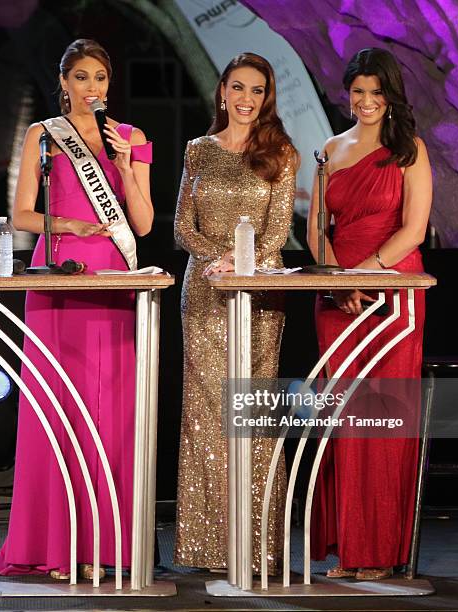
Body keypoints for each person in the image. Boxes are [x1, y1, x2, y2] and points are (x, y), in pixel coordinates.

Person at [0, 39, 153, 580]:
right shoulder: (43, 135)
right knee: (60, 406)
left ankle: (108, 546)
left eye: (100, 78)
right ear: (64, 83)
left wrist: (124, 163)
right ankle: (57, 542)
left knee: (110, 407)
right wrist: (67, 225)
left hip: (113, 274)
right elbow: (23, 213)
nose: (92, 88)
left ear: (108, 85)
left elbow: (141, 224)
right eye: (81, 78)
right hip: (60, 270)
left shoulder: (132, 139)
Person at [308, 48, 432, 580]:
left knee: (383, 419)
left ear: (390, 95)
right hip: (339, 296)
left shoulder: (410, 150)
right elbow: (316, 228)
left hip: (393, 290)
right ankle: (349, 547)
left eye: (376, 92)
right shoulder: (330, 150)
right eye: (358, 92)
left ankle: (380, 550)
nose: (366, 102)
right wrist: (338, 281)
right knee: (345, 422)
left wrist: (365, 274)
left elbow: (414, 229)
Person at [174, 52, 298, 573]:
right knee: (205, 416)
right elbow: (182, 225)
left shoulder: (281, 153)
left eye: (257, 90)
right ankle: (205, 547)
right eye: (238, 88)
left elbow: (277, 231)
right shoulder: (198, 151)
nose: (247, 99)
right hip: (204, 290)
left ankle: (259, 545)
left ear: (266, 98)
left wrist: (242, 263)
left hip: (259, 291)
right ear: (222, 91)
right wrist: (212, 259)